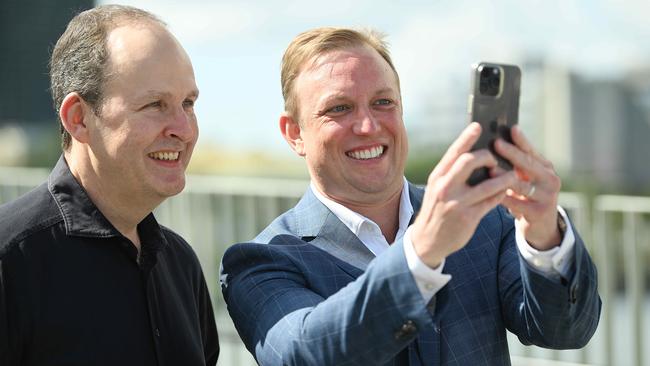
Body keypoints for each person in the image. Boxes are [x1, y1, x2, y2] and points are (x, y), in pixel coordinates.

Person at [220, 27, 601, 366]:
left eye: (383, 102)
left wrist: (545, 235)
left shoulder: (489, 221)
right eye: (339, 108)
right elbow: (303, 355)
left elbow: (565, 333)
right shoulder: (261, 261)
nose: (369, 126)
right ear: (294, 134)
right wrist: (422, 251)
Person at [0, 5, 219, 366]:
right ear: (78, 118)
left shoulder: (181, 265)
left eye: (188, 103)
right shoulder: (11, 261)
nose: (184, 129)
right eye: (155, 104)